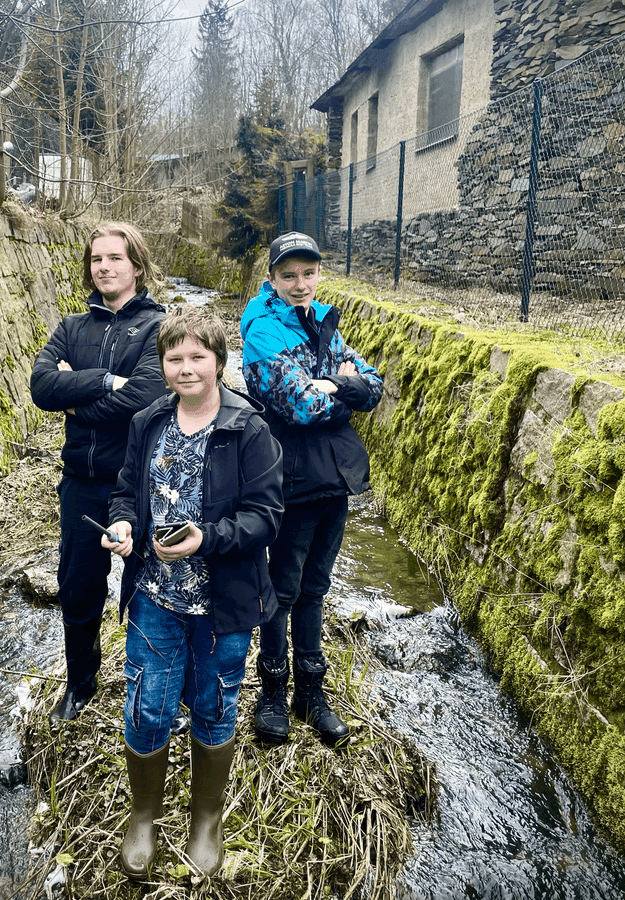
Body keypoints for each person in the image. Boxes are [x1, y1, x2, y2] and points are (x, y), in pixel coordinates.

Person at [102, 308, 283, 880]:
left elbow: (265, 518)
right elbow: (127, 490)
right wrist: (125, 525)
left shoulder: (248, 429)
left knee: (214, 705)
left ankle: (206, 819)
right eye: (174, 358)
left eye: (197, 357)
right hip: (155, 595)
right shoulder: (149, 421)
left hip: (223, 606)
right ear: (163, 365)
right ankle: (144, 816)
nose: (186, 368)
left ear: (219, 362)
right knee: (147, 706)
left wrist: (207, 539)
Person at [240, 231, 384, 749]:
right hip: (290, 477)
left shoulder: (322, 319)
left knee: (316, 587)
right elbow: (299, 405)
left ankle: (311, 693)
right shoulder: (261, 329)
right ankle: (273, 692)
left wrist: (336, 385)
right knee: (282, 589)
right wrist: (337, 387)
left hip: (335, 478)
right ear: (273, 279)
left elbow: (374, 384)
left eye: (309, 273)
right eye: (289, 275)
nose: (301, 284)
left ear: (319, 273)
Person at [29, 222, 168, 722]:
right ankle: (80, 684)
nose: (104, 267)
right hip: (81, 485)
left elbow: (147, 400)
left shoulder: (158, 328)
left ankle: (145, 685)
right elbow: (42, 386)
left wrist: (78, 398)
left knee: (143, 586)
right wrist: (107, 380)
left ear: (137, 265)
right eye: (96, 259)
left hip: (136, 485)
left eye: (115, 258)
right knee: (78, 586)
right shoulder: (72, 327)